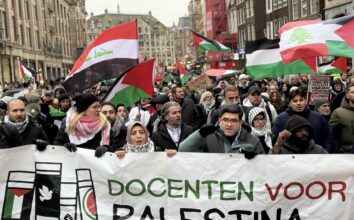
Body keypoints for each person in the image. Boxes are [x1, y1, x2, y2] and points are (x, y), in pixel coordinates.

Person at [179, 104, 265, 157]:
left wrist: (254, 159)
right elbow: (182, 150)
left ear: (240, 123)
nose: (229, 124)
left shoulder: (253, 141)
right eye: (225, 120)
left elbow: (263, 166)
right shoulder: (207, 138)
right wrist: (199, 134)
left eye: (234, 120)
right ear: (220, 121)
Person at [272, 88, 334, 153]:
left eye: (301, 100)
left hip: (315, 158)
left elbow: (328, 136)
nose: (298, 103)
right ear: (290, 103)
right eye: (295, 101)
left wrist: (325, 152)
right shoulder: (281, 119)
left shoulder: (318, 117)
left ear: (305, 101)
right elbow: (275, 140)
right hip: (290, 159)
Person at [329, 83, 354, 153]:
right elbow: (329, 133)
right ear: (347, 95)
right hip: (347, 152)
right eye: (353, 92)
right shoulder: (339, 112)